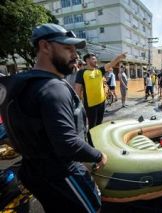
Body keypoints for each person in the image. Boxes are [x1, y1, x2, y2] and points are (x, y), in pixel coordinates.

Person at [0, 23, 107, 212]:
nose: (74, 55)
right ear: (45, 46)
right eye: (67, 48)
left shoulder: (21, 82)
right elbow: (67, 142)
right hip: (62, 174)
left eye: (75, 49)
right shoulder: (53, 88)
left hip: (32, 171)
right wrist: (98, 156)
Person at [75, 52, 126, 129]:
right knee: (92, 126)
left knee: (99, 124)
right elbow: (77, 90)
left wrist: (119, 57)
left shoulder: (100, 70)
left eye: (96, 58)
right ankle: (90, 140)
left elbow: (111, 64)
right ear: (87, 60)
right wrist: (78, 105)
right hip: (91, 105)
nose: (96, 60)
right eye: (93, 58)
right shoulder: (81, 73)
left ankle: (98, 140)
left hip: (102, 103)